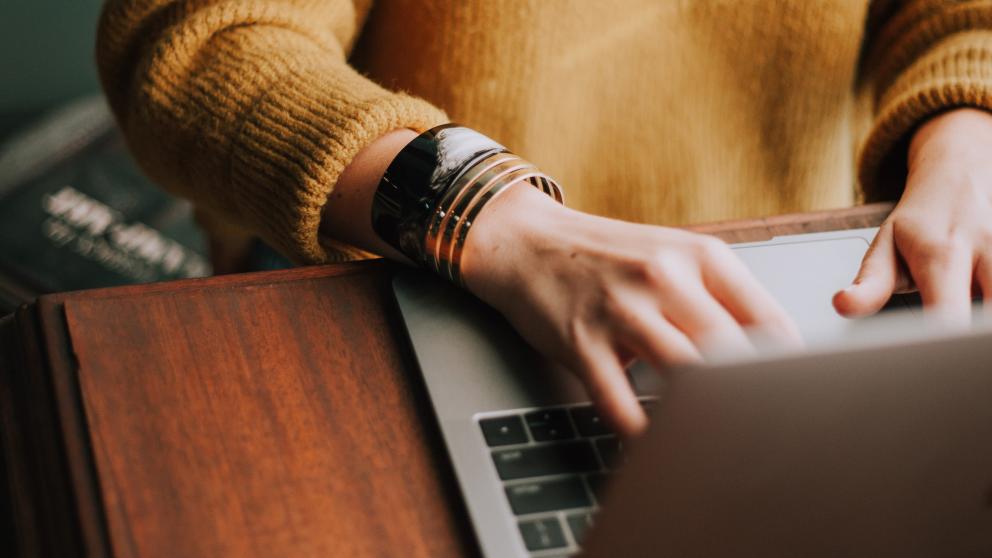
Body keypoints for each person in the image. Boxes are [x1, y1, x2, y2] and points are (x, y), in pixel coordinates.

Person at [96, 1, 992, 436]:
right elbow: (196, 45)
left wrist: (968, 132)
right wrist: (490, 216)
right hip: (414, 288)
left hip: (811, 304)